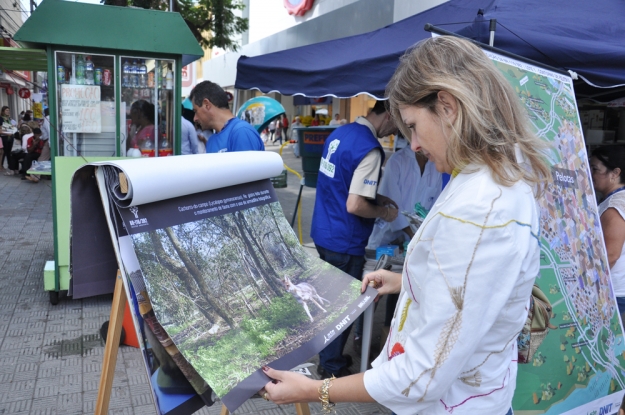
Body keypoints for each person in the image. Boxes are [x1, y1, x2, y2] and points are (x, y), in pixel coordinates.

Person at [260, 36, 550, 415]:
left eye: (413, 125)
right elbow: (480, 288)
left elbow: (419, 377)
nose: (411, 144)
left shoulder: (475, 211)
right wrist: (410, 280)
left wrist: (317, 389)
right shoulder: (501, 178)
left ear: (447, 107)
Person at [309, 99, 399, 379]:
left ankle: (327, 356)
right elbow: (354, 205)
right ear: (389, 115)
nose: (396, 129)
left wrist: (377, 197)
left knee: (327, 301)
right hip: (344, 240)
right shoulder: (370, 150)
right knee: (342, 308)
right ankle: (331, 366)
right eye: (397, 122)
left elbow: (340, 183)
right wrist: (385, 211)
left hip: (323, 231)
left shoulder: (340, 134)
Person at [590, 145, 625, 322]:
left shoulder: (614, 206)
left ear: (615, 173)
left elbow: (610, 254)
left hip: (613, 291)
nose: (590, 174)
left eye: (595, 169)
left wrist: (589, 286)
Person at [189, 81, 264, 153]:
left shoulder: (241, 132)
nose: (195, 118)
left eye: (196, 111)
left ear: (207, 105)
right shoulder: (211, 141)